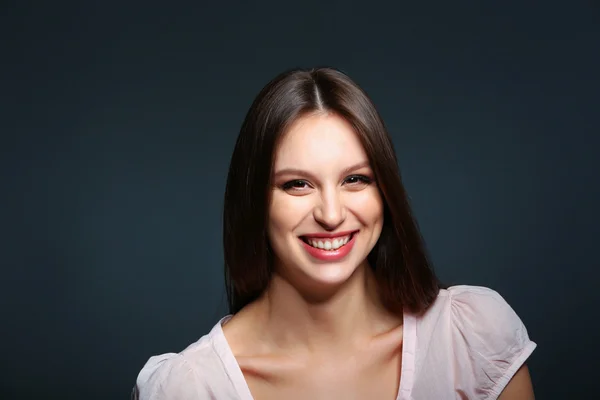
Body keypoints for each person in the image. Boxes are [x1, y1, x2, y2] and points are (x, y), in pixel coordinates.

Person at [133, 67, 537, 399]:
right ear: (254, 200)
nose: (331, 214)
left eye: (356, 179)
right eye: (297, 184)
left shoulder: (469, 342)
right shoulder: (189, 388)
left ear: (385, 192)